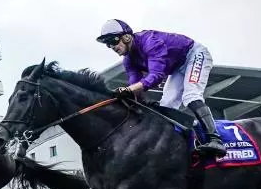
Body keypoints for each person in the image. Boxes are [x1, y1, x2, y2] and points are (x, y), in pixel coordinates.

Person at [96, 19, 225, 157]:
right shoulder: (128, 60)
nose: (112, 46)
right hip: (177, 68)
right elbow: (135, 87)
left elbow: (156, 76)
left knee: (191, 96)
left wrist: (129, 90)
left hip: (194, 54)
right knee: (167, 105)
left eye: (113, 41)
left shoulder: (150, 42)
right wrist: (128, 97)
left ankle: (216, 140)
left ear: (126, 37)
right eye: (108, 44)